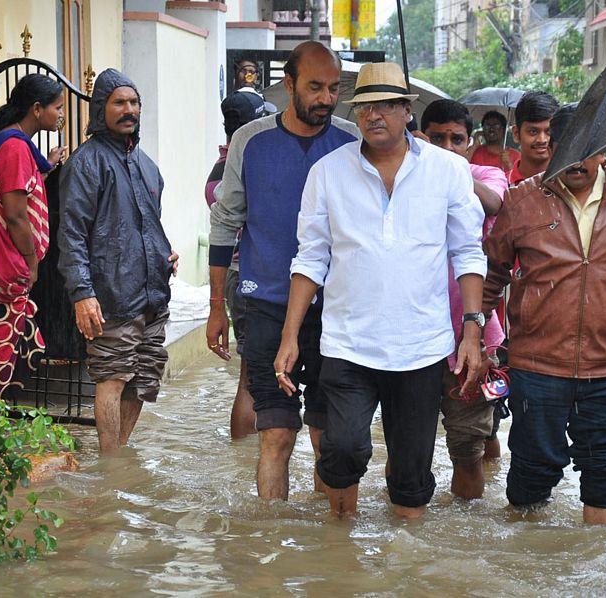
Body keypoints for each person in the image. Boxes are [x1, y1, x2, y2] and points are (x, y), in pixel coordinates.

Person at [274, 62, 487, 519]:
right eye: (366, 106)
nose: (375, 116)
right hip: (348, 344)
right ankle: (340, 544)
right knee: (344, 450)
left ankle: (404, 567)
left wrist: (472, 330)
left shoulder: (448, 171)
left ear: (407, 111)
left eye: (387, 105)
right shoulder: (329, 172)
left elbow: (468, 253)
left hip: (422, 346)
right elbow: (310, 258)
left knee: (412, 477)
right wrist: (290, 336)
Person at [483, 104, 606, 524]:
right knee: (533, 471)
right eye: (562, 148)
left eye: (585, 148)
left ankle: (603, 575)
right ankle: (522, 568)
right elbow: (490, 277)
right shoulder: (520, 201)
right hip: (536, 368)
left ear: (604, 151)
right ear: (549, 149)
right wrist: (474, 338)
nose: (574, 159)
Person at [208, 42, 359, 500]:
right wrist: (217, 307)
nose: (326, 98)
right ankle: (270, 546)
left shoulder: (353, 141)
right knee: (275, 435)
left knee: (327, 437)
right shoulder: (250, 141)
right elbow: (225, 221)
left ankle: (325, 550)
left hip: (336, 309)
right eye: (315, 87)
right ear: (288, 85)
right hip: (264, 303)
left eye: (333, 88)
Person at [58, 69, 178, 454]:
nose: (129, 110)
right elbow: (72, 234)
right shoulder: (86, 163)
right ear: (101, 109)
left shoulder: (147, 164)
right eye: (119, 103)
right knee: (112, 376)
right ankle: (109, 464)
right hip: (109, 295)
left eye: (134, 103)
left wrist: (164, 251)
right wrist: (82, 293)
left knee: (143, 379)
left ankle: (120, 455)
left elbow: (147, 223)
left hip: (152, 293)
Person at [418, 99, 508, 499]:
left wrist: (448, 169)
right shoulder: (404, 177)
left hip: (472, 333)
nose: (448, 147)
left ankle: (468, 541)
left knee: (468, 450)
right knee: (409, 450)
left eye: (456, 140)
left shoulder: (485, 174)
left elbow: (496, 204)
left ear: (469, 143)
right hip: (413, 337)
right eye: (437, 139)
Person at [0, 74, 67, 402]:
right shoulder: (15, 149)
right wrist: (32, 261)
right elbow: (16, 214)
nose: (62, 115)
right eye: (58, 108)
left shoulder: (16, 145)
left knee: (4, 343)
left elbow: (23, 182)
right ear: (37, 109)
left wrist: (46, 165)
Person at [205, 90, 272, 438]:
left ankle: (246, 457)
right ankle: (250, 454)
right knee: (253, 378)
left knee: (251, 375)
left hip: (234, 277)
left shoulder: (220, 167)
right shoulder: (250, 165)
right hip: (254, 276)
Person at [507, 91, 559, 186]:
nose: (542, 140)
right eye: (533, 132)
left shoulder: (571, 185)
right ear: (516, 134)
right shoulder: (502, 188)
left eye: (549, 131)